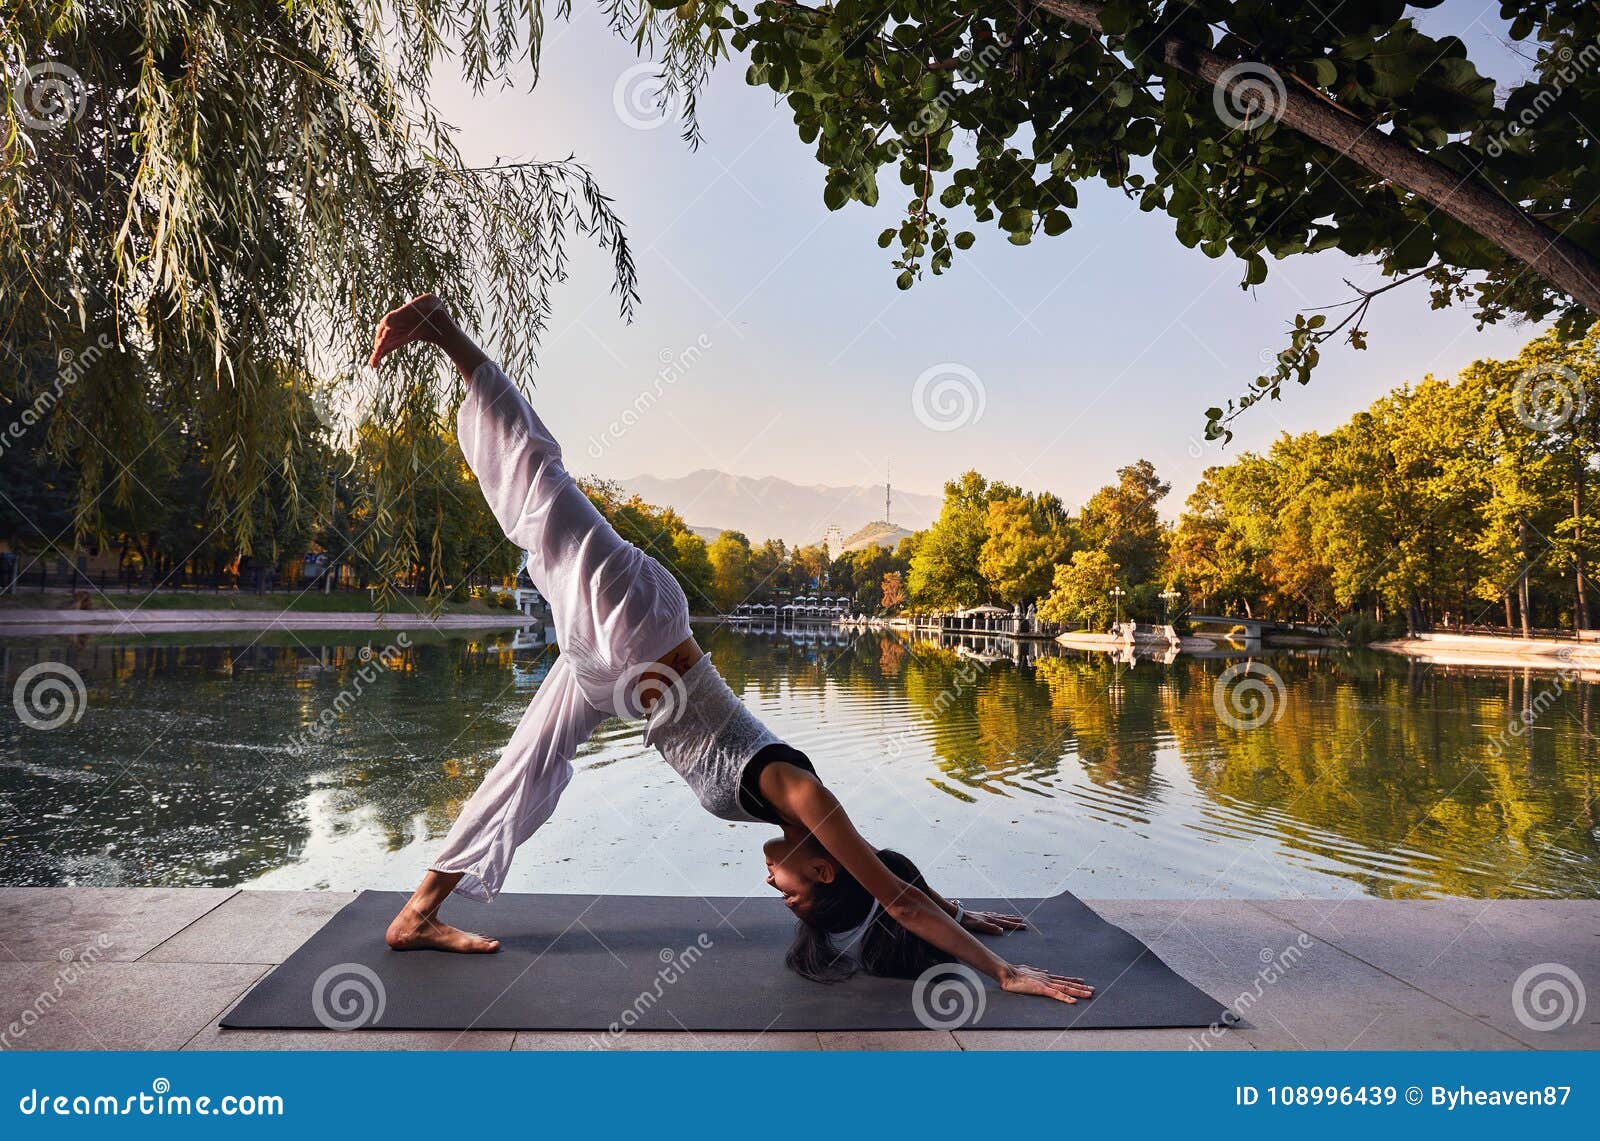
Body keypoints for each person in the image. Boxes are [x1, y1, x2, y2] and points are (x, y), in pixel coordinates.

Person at [370, 295, 1093, 1005]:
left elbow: (890, 871)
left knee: (522, 767)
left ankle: (418, 914)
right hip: (638, 628)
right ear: (823, 869)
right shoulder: (796, 792)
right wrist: (1002, 971)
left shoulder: (802, 820)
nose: (778, 893)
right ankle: (447, 333)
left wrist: (961, 913)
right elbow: (898, 900)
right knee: (542, 489)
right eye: (799, 897)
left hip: (618, 675)